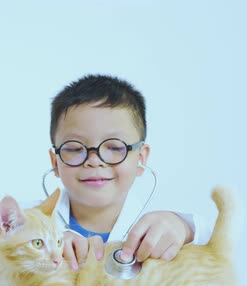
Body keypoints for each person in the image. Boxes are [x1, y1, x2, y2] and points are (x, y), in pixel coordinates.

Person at [47, 74, 215, 270]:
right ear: (55, 162)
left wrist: (186, 228)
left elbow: (213, 249)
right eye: (75, 148)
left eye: (115, 147)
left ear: (141, 159)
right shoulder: (24, 225)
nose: (94, 161)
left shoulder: (162, 228)